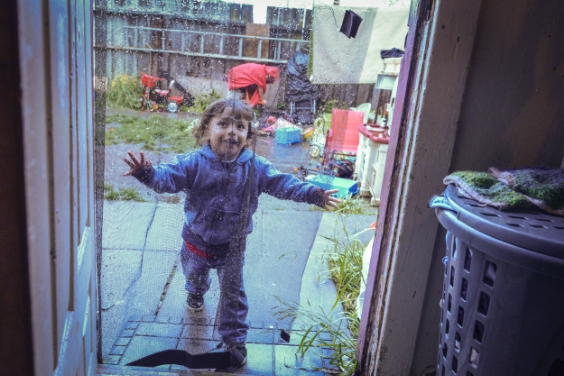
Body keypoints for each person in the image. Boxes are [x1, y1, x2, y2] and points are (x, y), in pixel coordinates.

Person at [122, 98, 339, 369]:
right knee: (195, 276)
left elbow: (282, 183)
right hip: (195, 242)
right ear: (206, 130)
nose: (231, 132)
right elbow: (168, 177)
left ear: (248, 136)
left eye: (240, 126)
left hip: (232, 249)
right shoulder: (193, 163)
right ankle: (195, 292)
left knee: (233, 296)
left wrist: (313, 193)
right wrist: (148, 174)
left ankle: (234, 342)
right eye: (222, 124)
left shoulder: (255, 168)